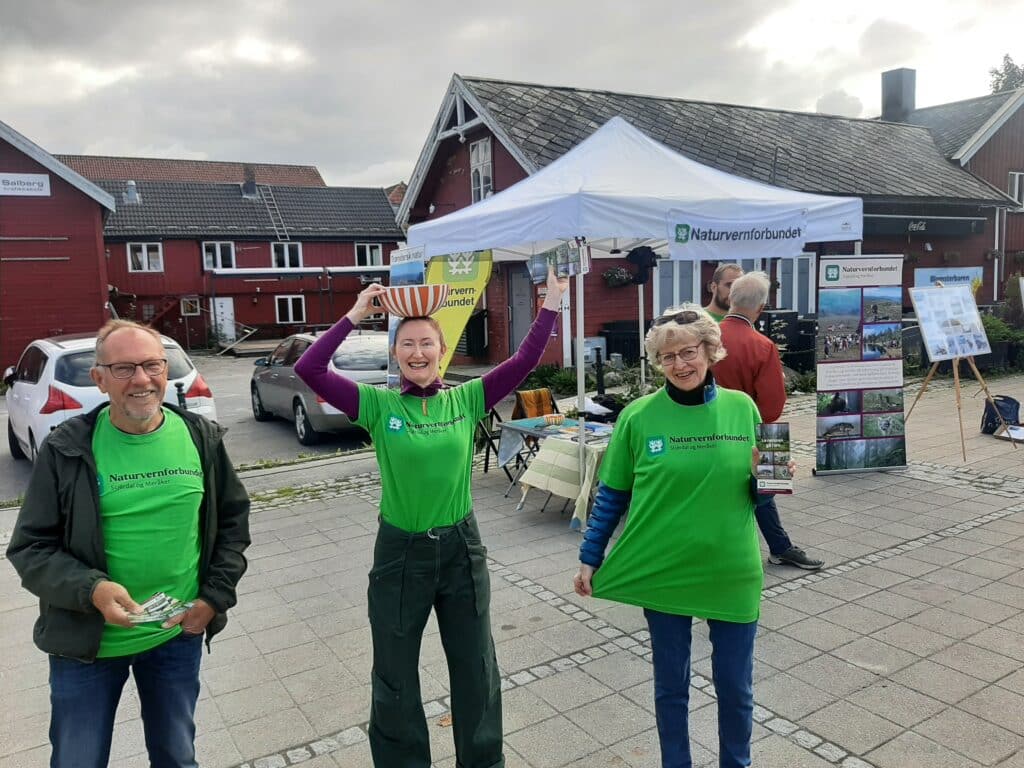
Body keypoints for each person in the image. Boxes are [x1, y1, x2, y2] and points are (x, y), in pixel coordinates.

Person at [295, 268, 568, 768]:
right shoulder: (377, 404)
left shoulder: (466, 399)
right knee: (395, 674)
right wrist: (355, 316)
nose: (418, 353)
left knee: (476, 667)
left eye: (428, 343)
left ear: (442, 351)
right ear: (395, 353)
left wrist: (550, 303)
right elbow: (310, 369)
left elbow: (525, 360)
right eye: (408, 345)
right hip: (401, 554)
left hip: (463, 549)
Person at [6, 319, 251, 768]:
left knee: (177, 756)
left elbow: (233, 524)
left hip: (176, 634)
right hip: (88, 644)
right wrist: (93, 590)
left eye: (152, 365)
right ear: (99, 378)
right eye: (123, 369)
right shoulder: (67, 449)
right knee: (77, 760)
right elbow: (29, 548)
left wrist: (214, 597)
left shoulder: (201, 438)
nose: (141, 380)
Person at [574, 305, 776, 768]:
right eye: (668, 357)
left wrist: (763, 477)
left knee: (736, 687)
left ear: (709, 350)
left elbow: (767, 497)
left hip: (732, 569)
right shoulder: (638, 417)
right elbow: (611, 495)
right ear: (657, 362)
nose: (681, 365)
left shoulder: (743, 408)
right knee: (670, 687)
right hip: (663, 568)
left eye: (689, 352)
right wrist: (590, 556)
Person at [714, 272, 825, 571]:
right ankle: (781, 548)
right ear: (761, 308)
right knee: (766, 491)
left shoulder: (706, 339)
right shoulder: (762, 346)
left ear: (730, 298)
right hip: (756, 429)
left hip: (710, 428)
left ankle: (776, 546)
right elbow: (773, 406)